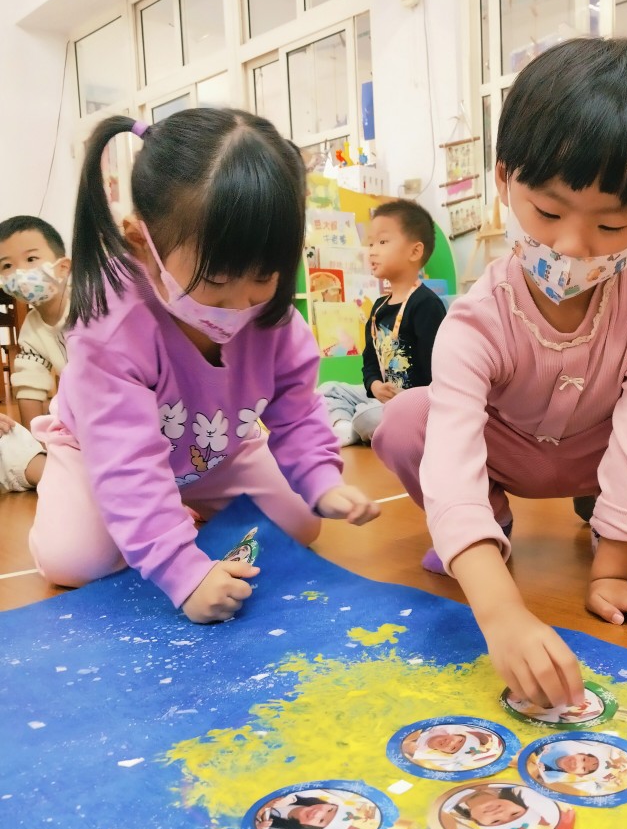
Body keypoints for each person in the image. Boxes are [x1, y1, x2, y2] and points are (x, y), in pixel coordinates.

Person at [373, 37, 627, 708]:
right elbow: (451, 458)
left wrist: (612, 572)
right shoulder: (477, 317)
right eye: (547, 212)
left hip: (602, 450)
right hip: (508, 453)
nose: (572, 246)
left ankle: (612, 527)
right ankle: (489, 530)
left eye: (613, 225)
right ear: (502, 178)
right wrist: (500, 611)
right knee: (403, 421)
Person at [28, 109, 379, 622]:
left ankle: (170, 515)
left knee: (301, 522)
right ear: (141, 243)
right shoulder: (111, 327)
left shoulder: (273, 319)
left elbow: (298, 411)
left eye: (264, 276)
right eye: (215, 279)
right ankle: (154, 523)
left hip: (211, 451)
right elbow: (127, 464)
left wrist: (321, 479)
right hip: (99, 454)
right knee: (75, 560)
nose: (241, 304)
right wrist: (183, 572)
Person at [319, 199, 447, 445]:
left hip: (414, 404)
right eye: (370, 244)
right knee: (327, 391)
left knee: (368, 415)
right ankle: (348, 427)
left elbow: (437, 372)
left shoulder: (426, 305)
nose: (372, 251)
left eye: (383, 242)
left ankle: (353, 425)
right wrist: (375, 385)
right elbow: (369, 363)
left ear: (414, 252)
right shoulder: (378, 307)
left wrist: (407, 399)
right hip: (380, 399)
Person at [0, 215, 71, 491]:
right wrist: (39, 442)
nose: (19, 272)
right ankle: (56, 470)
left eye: (30, 259)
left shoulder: (92, 305)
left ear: (62, 267)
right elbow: (29, 385)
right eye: (7, 266)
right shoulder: (31, 331)